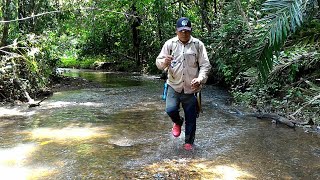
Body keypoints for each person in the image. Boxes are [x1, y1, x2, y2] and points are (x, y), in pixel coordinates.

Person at [156, 17, 212, 150]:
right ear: (176, 31)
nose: (184, 33)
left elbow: (205, 65)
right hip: (173, 85)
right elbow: (158, 62)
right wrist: (164, 62)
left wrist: (200, 79)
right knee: (170, 110)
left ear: (190, 30)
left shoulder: (198, 45)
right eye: (181, 31)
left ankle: (188, 143)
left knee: (191, 118)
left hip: (192, 88)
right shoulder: (170, 44)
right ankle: (177, 121)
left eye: (187, 30)